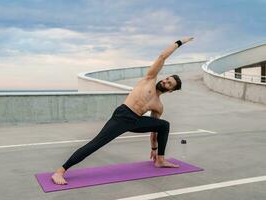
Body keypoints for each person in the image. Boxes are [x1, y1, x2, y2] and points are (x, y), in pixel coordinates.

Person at [52, 37, 194, 185]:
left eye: (169, 83)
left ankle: (160, 160)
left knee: (163, 125)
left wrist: (154, 148)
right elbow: (162, 56)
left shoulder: (158, 106)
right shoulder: (150, 78)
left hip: (135, 121)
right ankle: (60, 171)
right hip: (122, 116)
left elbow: (154, 131)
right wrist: (179, 43)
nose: (165, 81)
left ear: (170, 90)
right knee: (96, 144)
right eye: (167, 79)